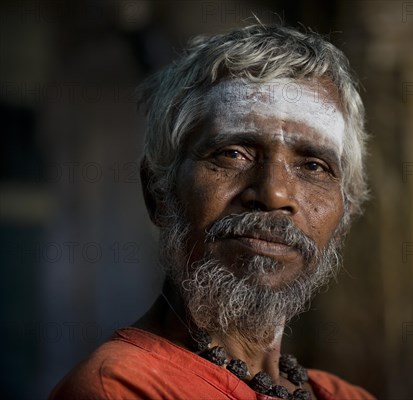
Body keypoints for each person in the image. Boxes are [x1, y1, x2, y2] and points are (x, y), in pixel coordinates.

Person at [50, 23, 373, 400]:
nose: (273, 193)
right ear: (158, 191)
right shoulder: (120, 386)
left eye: (314, 166)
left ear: (346, 214)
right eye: (233, 154)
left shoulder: (346, 395)